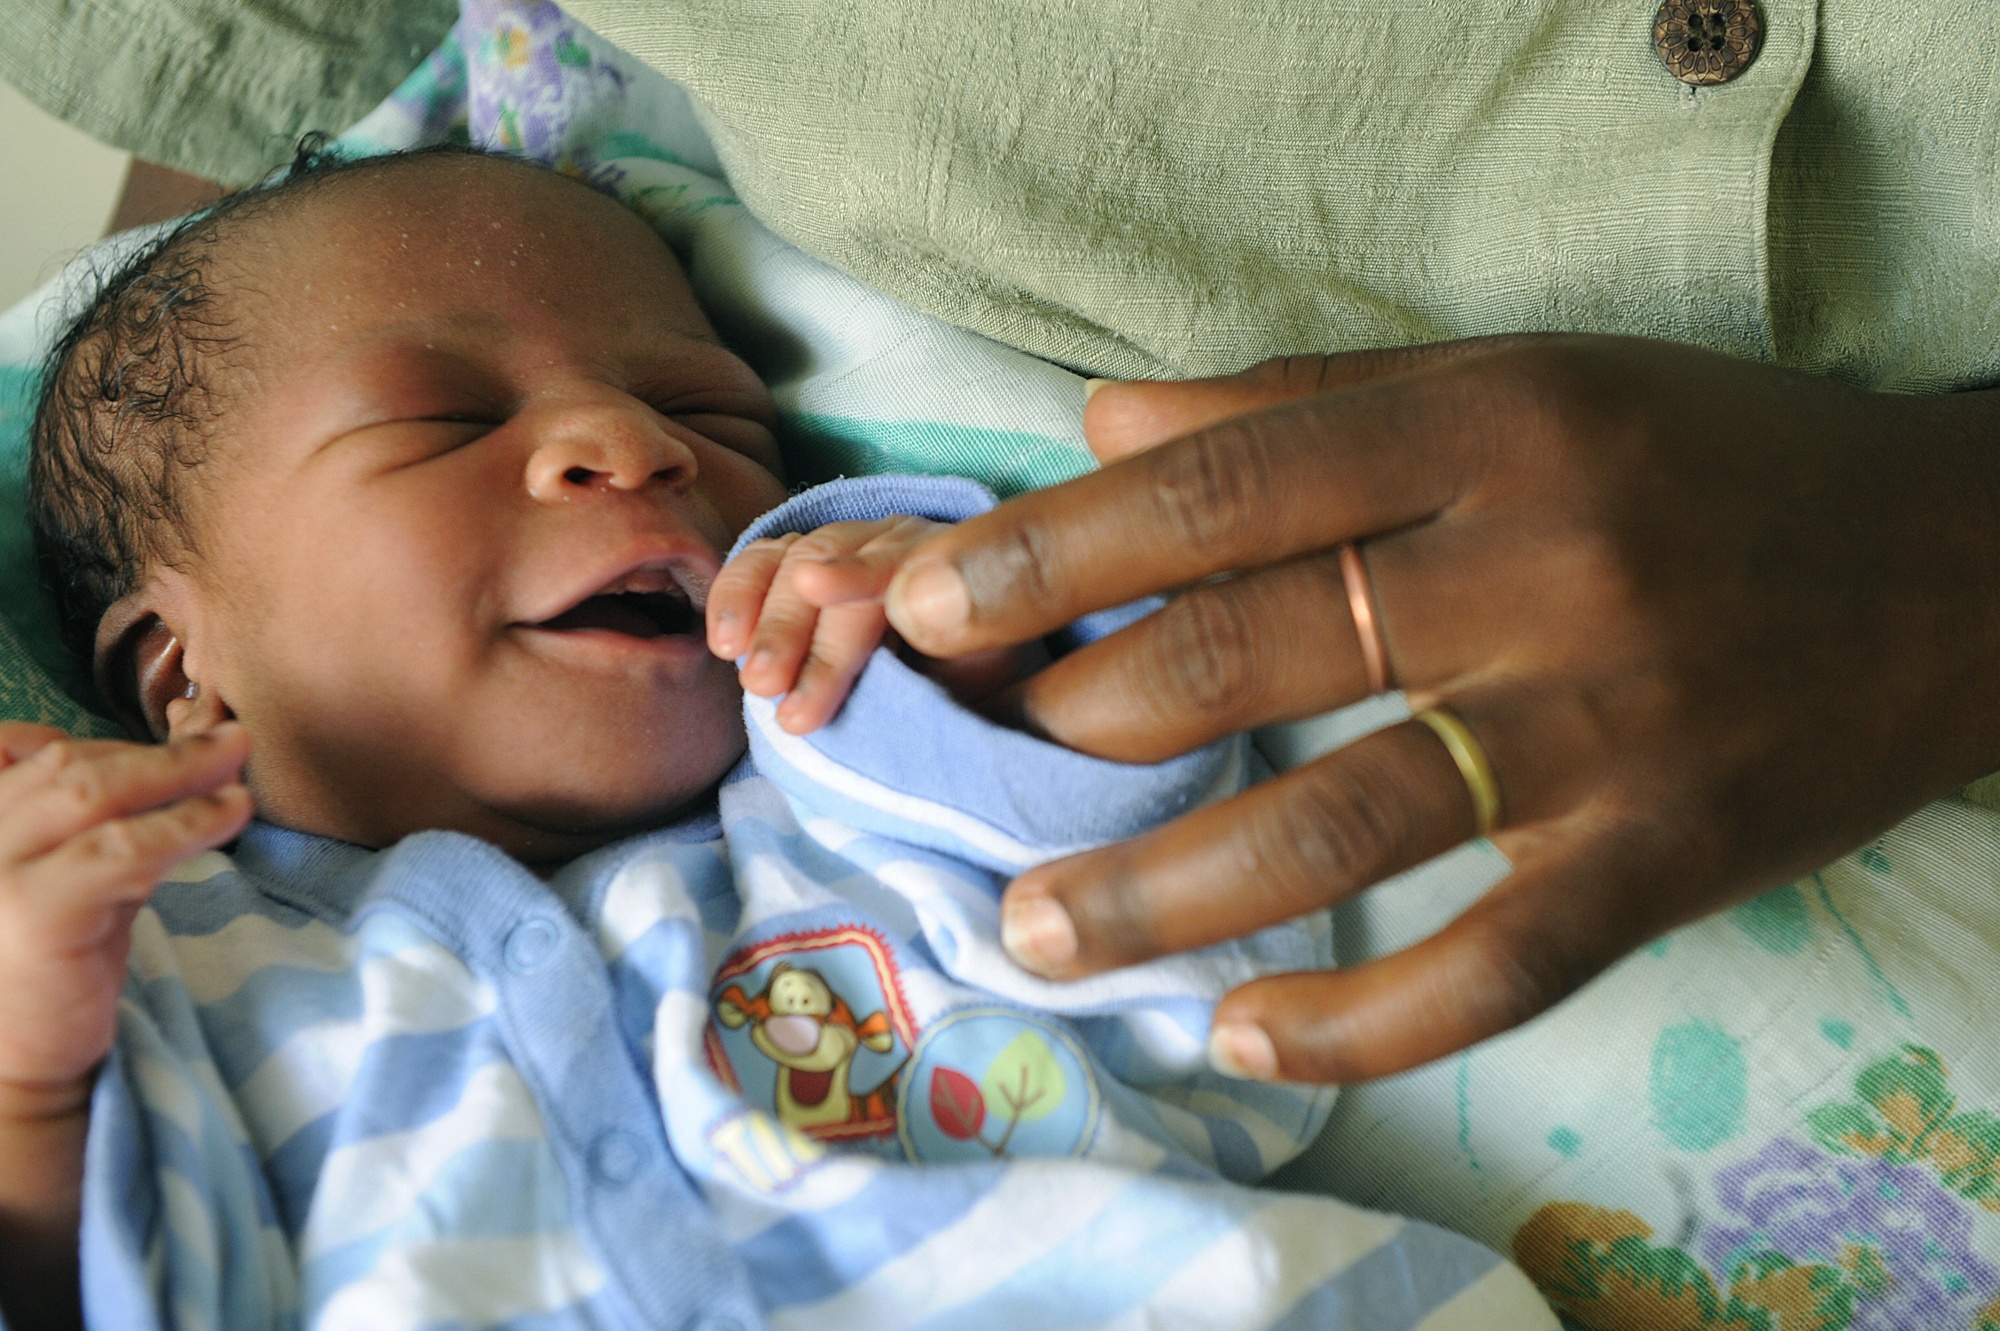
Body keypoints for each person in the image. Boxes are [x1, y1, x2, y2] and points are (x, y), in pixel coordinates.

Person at [0, 144, 1546, 1331]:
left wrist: (965, 640)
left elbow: (1157, 953)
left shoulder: (848, 805)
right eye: (446, 422)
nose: (635, 445)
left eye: (714, 415)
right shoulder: (160, 962)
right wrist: (31, 1089)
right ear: (182, 677)